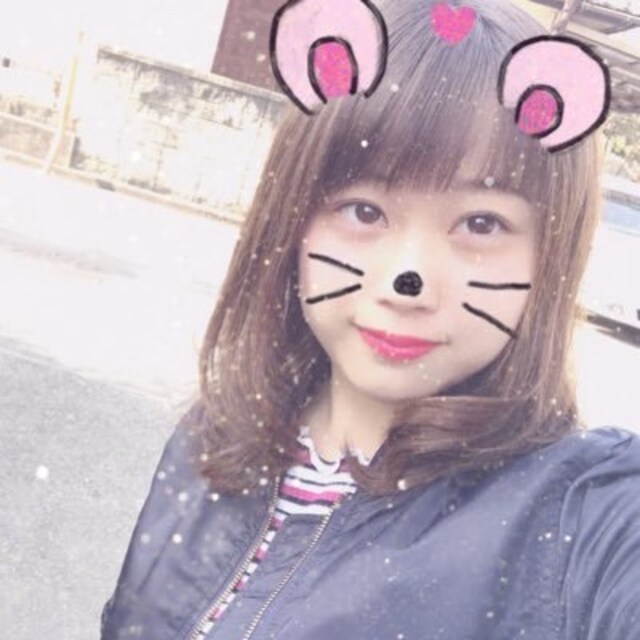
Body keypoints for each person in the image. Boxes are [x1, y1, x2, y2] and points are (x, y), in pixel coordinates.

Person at [101, 0, 640, 638]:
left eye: (481, 223)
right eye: (363, 211)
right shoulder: (210, 442)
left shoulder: (581, 517)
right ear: (292, 218)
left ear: (550, 255)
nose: (407, 280)